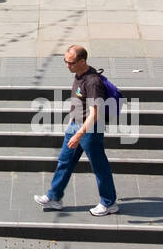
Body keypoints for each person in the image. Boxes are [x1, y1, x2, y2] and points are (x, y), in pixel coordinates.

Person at [33, 45, 118, 216]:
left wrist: (79, 134)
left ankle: (109, 203)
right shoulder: (78, 75)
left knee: (99, 165)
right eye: (65, 61)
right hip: (76, 125)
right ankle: (54, 197)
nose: (67, 65)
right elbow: (78, 101)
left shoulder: (93, 82)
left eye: (70, 62)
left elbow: (96, 112)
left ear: (82, 61)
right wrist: (71, 122)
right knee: (65, 160)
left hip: (90, 129)